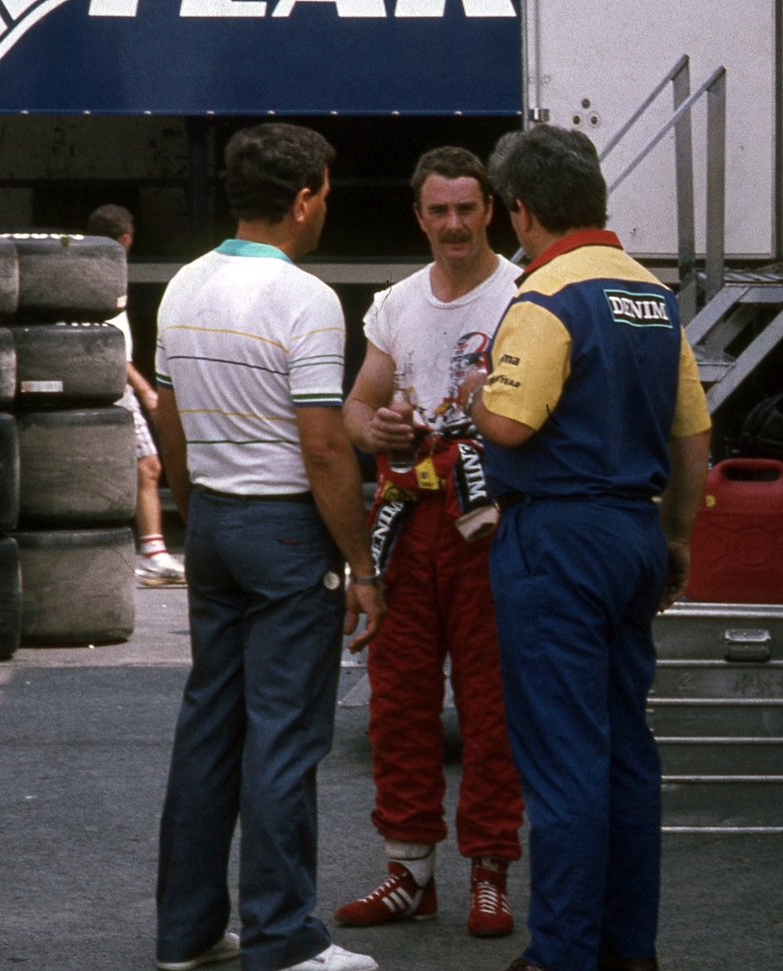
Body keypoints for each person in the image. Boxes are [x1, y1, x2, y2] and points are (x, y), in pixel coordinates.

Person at [459, 125, 711, 971]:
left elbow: (513, 419)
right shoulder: (653, 295)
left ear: (522, 212)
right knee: (625, 751)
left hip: (556, 538)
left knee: (564, 758)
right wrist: (675, 537)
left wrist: (473, 394)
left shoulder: (545, 297)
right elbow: (692, 437)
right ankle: (628, 949)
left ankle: (562, 953)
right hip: (634, 532)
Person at [149, 123, 385, 971]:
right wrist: (362, 565)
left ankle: (187, 932)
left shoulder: (182, 283)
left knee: (210, 726)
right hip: (286, 529)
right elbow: (325, 448)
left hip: (211, 520)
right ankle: (285, 940)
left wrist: (196, 505)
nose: (326, 207)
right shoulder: (307, 299)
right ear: (302, 199)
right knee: (284, 736)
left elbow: (170, 421)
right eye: (326, 192)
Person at [335, 147, 525, 938]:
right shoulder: (396, 304)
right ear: (419, 216)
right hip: (408, 521)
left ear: (491, 210)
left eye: (466, 208)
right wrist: (372, 425)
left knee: (492, 706)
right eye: (438, 211)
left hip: (491, 526)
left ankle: (490, 871)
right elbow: (355, 408)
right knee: (399, 700)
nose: (453, 224)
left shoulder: (524, 296)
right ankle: (409, 873)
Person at [86, 203, 187, 585]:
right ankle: (154, 555)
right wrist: (145, 389)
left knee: (140, 467)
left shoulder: (90, 274)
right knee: (147, 465)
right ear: (126, 239)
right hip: (115, 388)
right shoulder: (102, 280)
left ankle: (152, 552)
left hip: (109, 386)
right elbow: (109, 343)